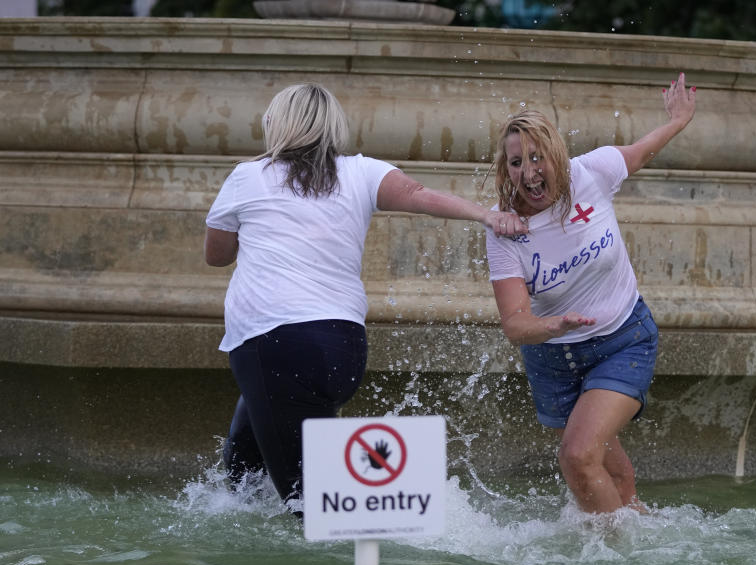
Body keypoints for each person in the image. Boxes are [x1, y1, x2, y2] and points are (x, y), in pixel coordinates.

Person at [204, 82, 527, 514]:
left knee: (308, 505)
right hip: (341, 348)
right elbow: (419, 196)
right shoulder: (360, 171)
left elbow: (216, 256)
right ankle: (271, 540)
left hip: (274, 345)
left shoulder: (247, 177)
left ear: (276, 126)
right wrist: (487, 214)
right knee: (244, 465)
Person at [485, 73, 696, 514]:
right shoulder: (504, 230)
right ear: (506, 169)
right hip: (554, 359)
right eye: (517, 162)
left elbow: (642, 151)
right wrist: (553, 324)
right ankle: (645, 549)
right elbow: (514, 324)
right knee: (611, 471)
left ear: (556, 155)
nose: (529, 172)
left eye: (537, 158)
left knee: (577, 457)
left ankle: (611, 564)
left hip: (622, 339)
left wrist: (678, 120)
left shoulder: (592, 173)